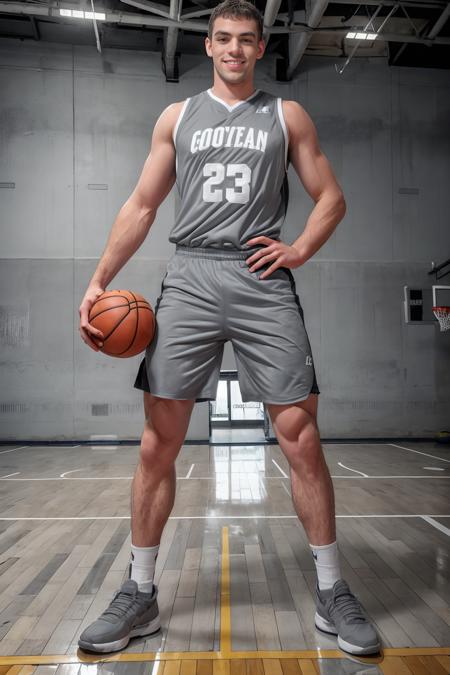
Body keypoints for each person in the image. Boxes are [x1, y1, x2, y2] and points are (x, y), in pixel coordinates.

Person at [78, 0, 380, 657]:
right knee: (160, 439)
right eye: (223, 39)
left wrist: (297, 248)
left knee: (299, 434)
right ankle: (139, 591)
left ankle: (332, 589)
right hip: (190, 273)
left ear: (261, 44)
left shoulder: (287, 114)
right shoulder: (177, 116)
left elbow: (332, 197)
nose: (235, 49)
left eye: (247, 39)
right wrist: (100, 278)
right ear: (208, 45)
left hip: (261, 276)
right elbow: (142, 203)